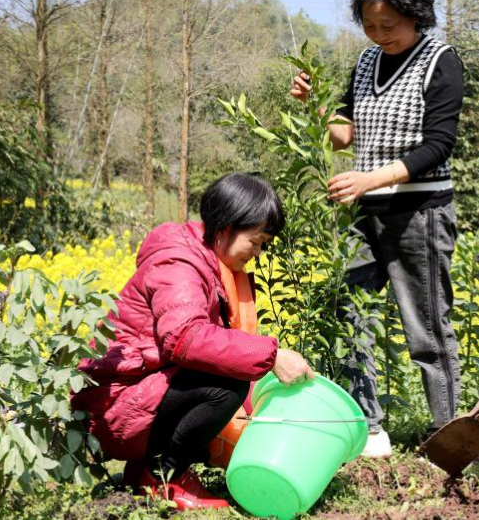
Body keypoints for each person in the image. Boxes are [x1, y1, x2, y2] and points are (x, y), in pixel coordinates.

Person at [289, 0, 464, 459]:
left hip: (419, 211)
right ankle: (366, 428)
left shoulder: (441, 61)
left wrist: (370, 178)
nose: (379, 34)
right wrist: (313, 106)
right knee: (351, 314)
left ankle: (448, 432)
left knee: (426, 325)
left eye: (389, 25)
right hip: (365, 212)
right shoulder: (367, 62)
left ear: (416, 15)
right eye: (370, 24)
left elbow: (438, 146)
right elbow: (344, 134)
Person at [71, 173, 315, 509]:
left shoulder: (214, 266)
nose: (258, 253)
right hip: (109, 405)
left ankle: (144, 473)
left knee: (233, 386)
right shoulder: (179, 263)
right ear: (226, 227)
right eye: (255, 241)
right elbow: (185, 338)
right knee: (227, 385)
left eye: (264, 244)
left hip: (138, 394)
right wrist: (271, 357)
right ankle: (163, 477)